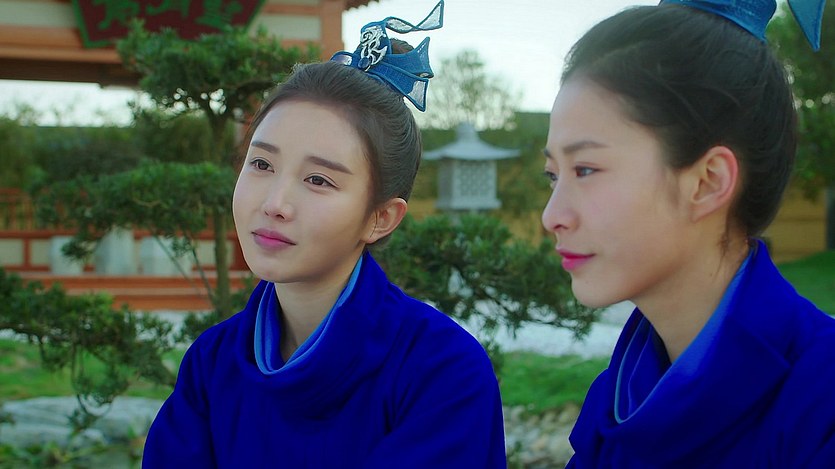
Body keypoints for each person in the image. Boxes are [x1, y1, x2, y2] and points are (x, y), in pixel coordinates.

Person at [143, 2, 507, 467]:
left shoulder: (442, 371)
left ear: (381, 217)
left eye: (318, 180)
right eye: (262, 164)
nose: (275, 203)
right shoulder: (211, 364)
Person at [540, 0, 835, 467]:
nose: (552, 216)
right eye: (553, 176)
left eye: (586, 169)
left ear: (708, 182)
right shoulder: (616, 395)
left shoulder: (821, 400)